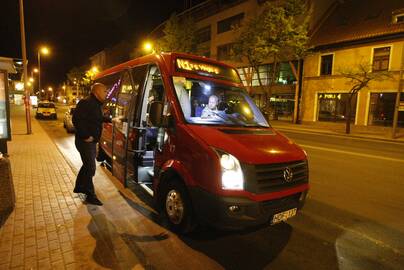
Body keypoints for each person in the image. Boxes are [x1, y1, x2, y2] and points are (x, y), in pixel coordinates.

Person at [72, 83, 107, 205]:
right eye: (104, 91)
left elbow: (96, 119)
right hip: (84, 142)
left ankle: (80, 187)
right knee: (91, 167)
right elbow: (76, 119)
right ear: (96, 92)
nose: (106, 93)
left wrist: (111, 119)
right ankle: (90, 194)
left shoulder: (96, 104)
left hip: (90, 142)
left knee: (88, 166)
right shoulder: (86, 102)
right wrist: (86, 136)